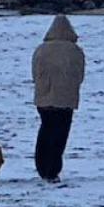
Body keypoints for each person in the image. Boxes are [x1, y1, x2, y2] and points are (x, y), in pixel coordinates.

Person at [31, 15, 85, 182]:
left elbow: (35, 73)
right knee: (60, 133)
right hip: (66, 98)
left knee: (45, 130)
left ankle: (42, 166)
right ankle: (53, 168)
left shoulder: (41, 49)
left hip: (44, 97)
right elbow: (79, 75)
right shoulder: (75, 51)